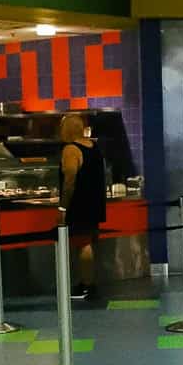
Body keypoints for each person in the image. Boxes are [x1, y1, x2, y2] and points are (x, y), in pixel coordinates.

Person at [58, 114, 107, 300]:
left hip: (79, 203)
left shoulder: (71, 149)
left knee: (82, 244)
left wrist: (62, 208)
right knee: (89, 242)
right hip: (94, 201)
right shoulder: (93, 147)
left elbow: (69, 180)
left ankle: (87, 285)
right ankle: (88, 281)